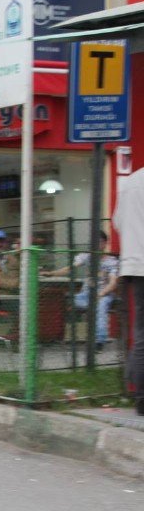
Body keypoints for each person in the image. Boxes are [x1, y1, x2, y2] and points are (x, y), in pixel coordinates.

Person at [42, 230, 119, 350]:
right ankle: (52, 336)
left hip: (104, 295)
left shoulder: (111, 261)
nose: (95, 245)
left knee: (101, 306)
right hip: (86, 295)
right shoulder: (86, 257)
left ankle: (99, 341)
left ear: (105, 243)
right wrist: (52, 273)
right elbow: (70, 268)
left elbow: (113, 283)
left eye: (98, 242)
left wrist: (101, 294)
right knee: (62, 301)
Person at [114, 168, 144, 413]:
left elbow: (118, 223)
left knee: (142, 332)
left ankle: (140, 394)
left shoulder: (131, 181)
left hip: (134, 266)